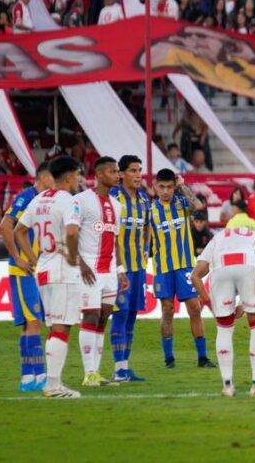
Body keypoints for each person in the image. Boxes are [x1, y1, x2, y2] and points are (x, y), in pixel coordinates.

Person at [13, 156, 95, 399]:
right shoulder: (69, 201)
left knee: (54, 327)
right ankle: (53, 385)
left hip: (45, 269)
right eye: (77, 175)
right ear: (69, 176)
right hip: (62, 271)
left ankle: (53, 383)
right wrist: (72, 257)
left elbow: (19, 231)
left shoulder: (38, 199)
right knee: (61, 328)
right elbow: (72, 231)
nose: (79, 179)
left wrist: (34, 258)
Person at [191, 226, 255, 397]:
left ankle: (227, 386)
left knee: (224, 328)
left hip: (221, 269)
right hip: (248, 267)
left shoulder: (217, 238)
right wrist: (244, 305)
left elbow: (195, 275)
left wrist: (209, 302)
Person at [148, 168, 213, 369]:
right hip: (162, 268)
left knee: (194, 308)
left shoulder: (181, 203)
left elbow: (199, 206)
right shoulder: (150, 210)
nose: (165, 191)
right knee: (167, 310)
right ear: (155, 187)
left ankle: (202, 357)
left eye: (169, 187)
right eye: (162, 187)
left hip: (185, 265)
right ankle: (169, 359)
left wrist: (182, 186)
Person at [72, 157, 126, 387]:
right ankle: (89, 373)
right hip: (89, 270)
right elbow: (70, 234)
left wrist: (121, 270)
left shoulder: (117, 205)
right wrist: (80, 262)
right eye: (113, 171)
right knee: (91, 316)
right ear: (100, 174)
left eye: (118, 171)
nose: (118, 175)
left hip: (110, 271)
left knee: (103, 318)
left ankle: (96, 372)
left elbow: (116, 241)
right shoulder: (81, 200)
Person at [0, 164, 52, 385]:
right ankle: (39, 375)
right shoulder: (26, 197)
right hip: (24, 270)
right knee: (34, 321)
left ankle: (28, 377)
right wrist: (17, 257)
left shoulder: (45, 200)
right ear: (44, 177)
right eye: (53, 177)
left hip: (35, 270)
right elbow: (5, 225)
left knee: (29, 323)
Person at [108, 155, 149, 382]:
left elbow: (147, 227)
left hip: (138, 267)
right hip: (118, 268)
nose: (138, 175)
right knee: (120, 314)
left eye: (139, 170)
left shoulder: (143, 199)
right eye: (133, 170)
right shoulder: (113, 197)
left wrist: (146, 247)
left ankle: (124, 367)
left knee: (131, 315)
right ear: (121, 174)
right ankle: (118, 369)